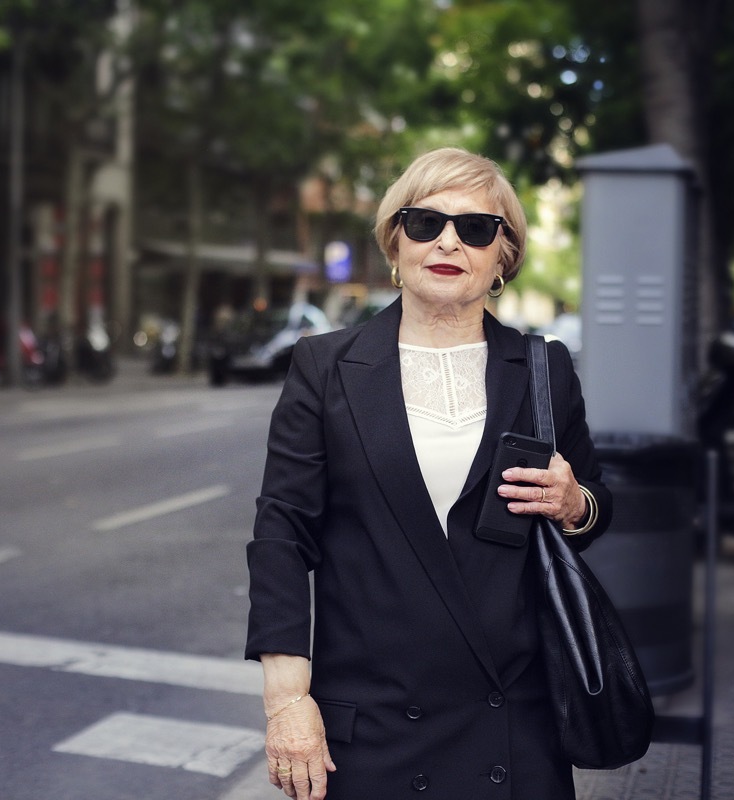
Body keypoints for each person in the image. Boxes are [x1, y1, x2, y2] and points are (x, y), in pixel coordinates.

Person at [245, 147, 613, 800]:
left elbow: (597, 507)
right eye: (425, 222)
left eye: (476, 228)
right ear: (396, 241)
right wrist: (288, 700)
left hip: (512, 727)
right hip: (374, 727)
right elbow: (282, 534)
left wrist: (573, 501)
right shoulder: (324, 366)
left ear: (503, 256)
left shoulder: (542, 369)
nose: (448, 241)